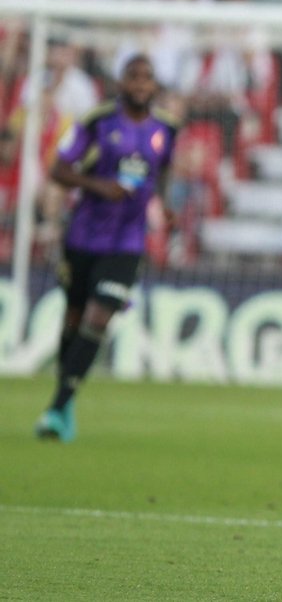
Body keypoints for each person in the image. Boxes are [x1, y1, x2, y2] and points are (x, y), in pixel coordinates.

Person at [35, 55, 178, 442]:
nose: (141, 83)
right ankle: (64, 401)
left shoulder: (166, 128)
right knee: (74, 319)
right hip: (84, 236)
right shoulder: (97, 121)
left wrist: (164, 204)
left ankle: (57, 408)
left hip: (129, 241)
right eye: (133, 76)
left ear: (154, 85)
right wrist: (99, 186)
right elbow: (58, 170)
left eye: (147, 77)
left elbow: (164, 167)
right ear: (121, 82)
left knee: (99, 316)